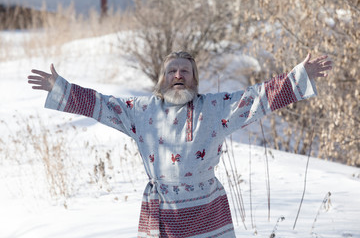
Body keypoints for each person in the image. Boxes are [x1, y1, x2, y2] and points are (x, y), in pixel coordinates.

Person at [28, 51, 332, 238]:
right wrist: (62, 88)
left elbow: (257, 98)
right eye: (172, 71)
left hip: (206, 208)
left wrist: (298, 77)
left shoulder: (216, 107)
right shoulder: (140, 109)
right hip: (161, 211)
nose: (178, 76)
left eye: (185, 71)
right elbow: (101, 104)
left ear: (195, 79)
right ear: (162, 79)